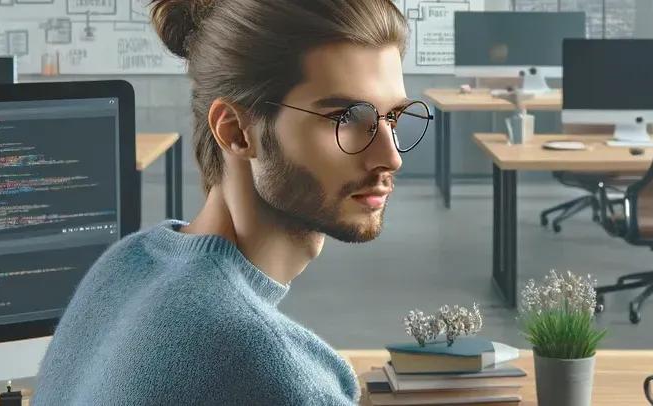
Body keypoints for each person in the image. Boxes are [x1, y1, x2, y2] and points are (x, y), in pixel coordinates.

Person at [34, 0, 432, 404]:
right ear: (236, 132)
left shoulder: (127, 264)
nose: (391, 156)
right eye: (346, 118)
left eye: (393, 118)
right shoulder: (274, 371)